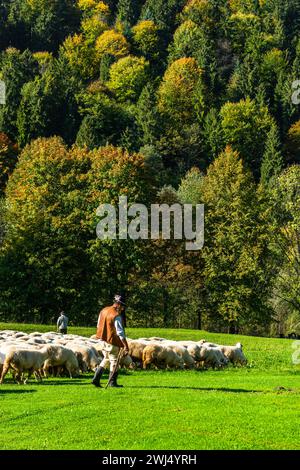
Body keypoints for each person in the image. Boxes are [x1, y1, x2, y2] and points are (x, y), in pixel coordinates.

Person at [92, 294, 129, 388]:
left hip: (102, 339)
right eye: (123, 306)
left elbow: (98, 325)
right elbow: (120, 333)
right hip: (112, 341)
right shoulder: (116, 316)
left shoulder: (103, 310)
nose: (123, 308)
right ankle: (112, 382)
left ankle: (96, 378)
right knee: (114, 361)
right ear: (119, 305)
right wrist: (126, 346)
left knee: (106, 359)